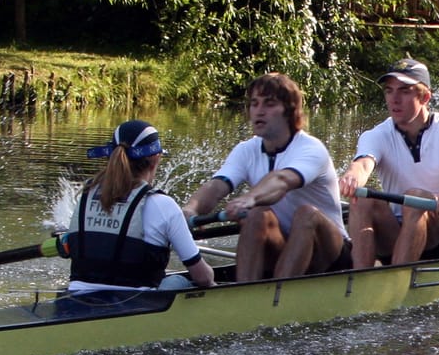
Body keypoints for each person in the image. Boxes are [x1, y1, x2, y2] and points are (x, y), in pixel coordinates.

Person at [185, 73, 348, 282]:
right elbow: (216, 186)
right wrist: (191, 209)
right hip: (284, 247)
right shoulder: (246, 150)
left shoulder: (312, 148)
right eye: (254, 103)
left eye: (269, 104)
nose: (259, 111)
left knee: (306, 214)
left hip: (330, 254)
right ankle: (244, 294)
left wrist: (250, 198)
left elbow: (282, 180)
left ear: (290, 111)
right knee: (256, 215)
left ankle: (277, 298)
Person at [337, 58, 439, 267]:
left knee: (414, 198)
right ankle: (359, 281)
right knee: (362, 199)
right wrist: (351, 178)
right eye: (389, 90)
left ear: (425, 97)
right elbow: (362, 165)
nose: (394, 99)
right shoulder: (376, 134)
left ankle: (395, 284)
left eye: (404, 91)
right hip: (397, 231)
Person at [66, 120, 217, 294]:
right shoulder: (163, 205)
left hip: (75, 300)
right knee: (180, 280)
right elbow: (203, 278)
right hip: (135, 308)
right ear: (155, 159)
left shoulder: (86, 193)